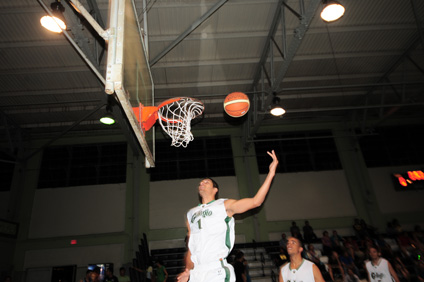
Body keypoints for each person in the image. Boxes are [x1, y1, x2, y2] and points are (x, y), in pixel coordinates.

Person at [177, 150, 279, 282]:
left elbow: (256, 201)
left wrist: (271, 173)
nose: (201, 183)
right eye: (200, 182)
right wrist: (188, 271)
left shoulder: (224, 205)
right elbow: (192, 245)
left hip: (216, 270)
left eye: (206, 182)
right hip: (197, 271)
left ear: (215, 190)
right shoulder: (191, 213)